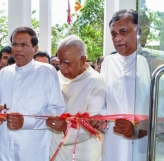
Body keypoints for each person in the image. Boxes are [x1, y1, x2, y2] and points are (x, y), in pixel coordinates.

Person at [0, 27, 65, 161]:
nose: (18, 49)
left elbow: (57, 109)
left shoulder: (47, 72)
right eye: (15, 44)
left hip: (32, 150)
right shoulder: (3, 73)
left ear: (35, 49)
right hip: (5, 149)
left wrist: (26, 121)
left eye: (24, 45)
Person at [90, 9, 150, 161]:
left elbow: (160, 114)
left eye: (123, 32)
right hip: (113, 141)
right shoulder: (109, 62)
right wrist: (101, 118)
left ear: (138, 32)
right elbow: (106, 102)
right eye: (114, 34)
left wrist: (138, 130)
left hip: (143, 143)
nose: (117, 38)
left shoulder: (151, 62)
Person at [46, 35, 105, 161]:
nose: (62, 68)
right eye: (59, 62)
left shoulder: (96, 81)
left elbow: (91, 126)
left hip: (83, 151)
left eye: (67, 63)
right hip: (56, 147)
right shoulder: (56, 76)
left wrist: (64, 127)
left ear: (82, 60)